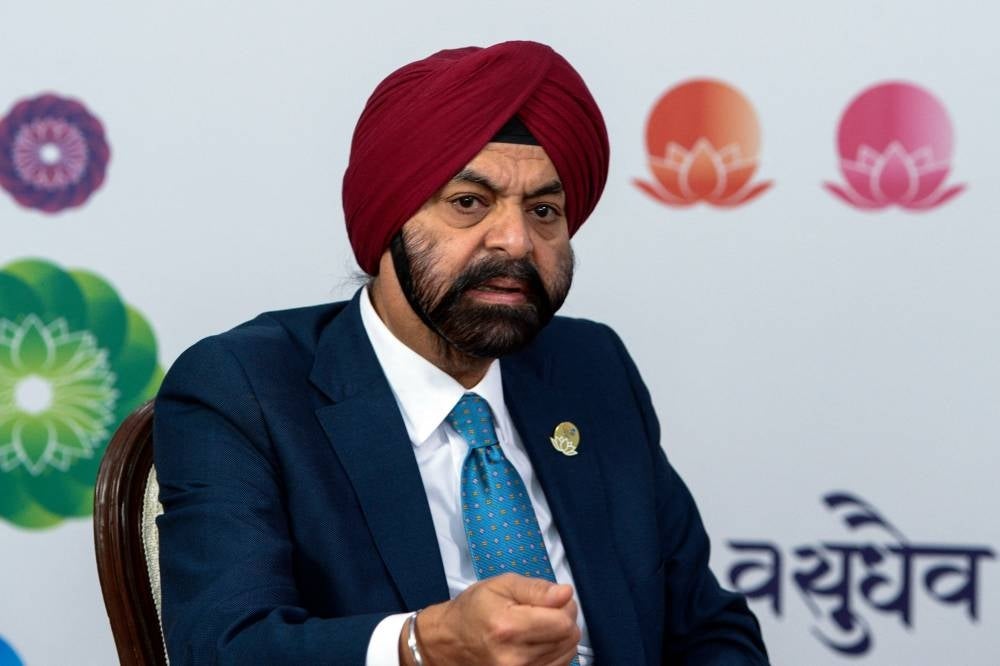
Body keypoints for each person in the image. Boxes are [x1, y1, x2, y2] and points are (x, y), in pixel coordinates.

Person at [154, 41, 768, 665]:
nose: (516, 241)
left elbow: (709, 628)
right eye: (469, 203)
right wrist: (426, 644)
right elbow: (224, 646)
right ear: (389, 220)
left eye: (544, 210)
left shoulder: (591, 366)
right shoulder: (245, 389)